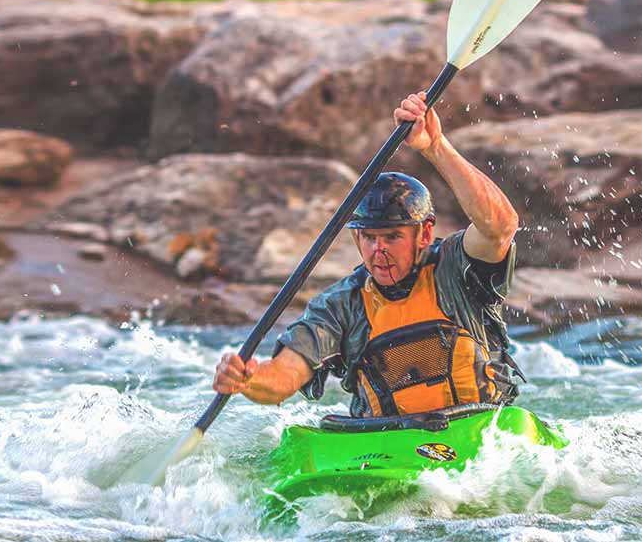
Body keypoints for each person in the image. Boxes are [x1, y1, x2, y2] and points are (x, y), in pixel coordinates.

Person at [211, 92, 523, 418]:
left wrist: (436, 147)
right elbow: (287, 373)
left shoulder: (456, 270)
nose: (379, 250)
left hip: (482, 433)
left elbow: (500, 227)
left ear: (425, 233)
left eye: (393, 236)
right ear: (357, 237)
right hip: (385, 444)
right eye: (369, 238)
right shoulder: (341, 305)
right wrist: (248, 379)